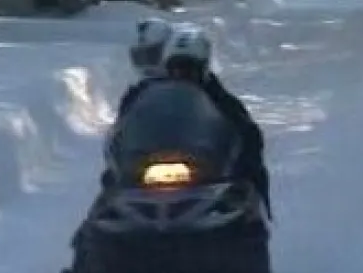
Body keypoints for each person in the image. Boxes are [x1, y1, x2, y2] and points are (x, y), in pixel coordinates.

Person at [116, 24, 273, 219]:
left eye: (190, 68)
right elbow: (123, 127)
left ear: (203, 67)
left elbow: (247, 132)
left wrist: (239, 163)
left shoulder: (218, 96)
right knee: (108, 198)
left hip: (203, 173)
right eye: (176, 67)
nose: (182, 73)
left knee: (245, 188)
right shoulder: (143, 93)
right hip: (147, 168)